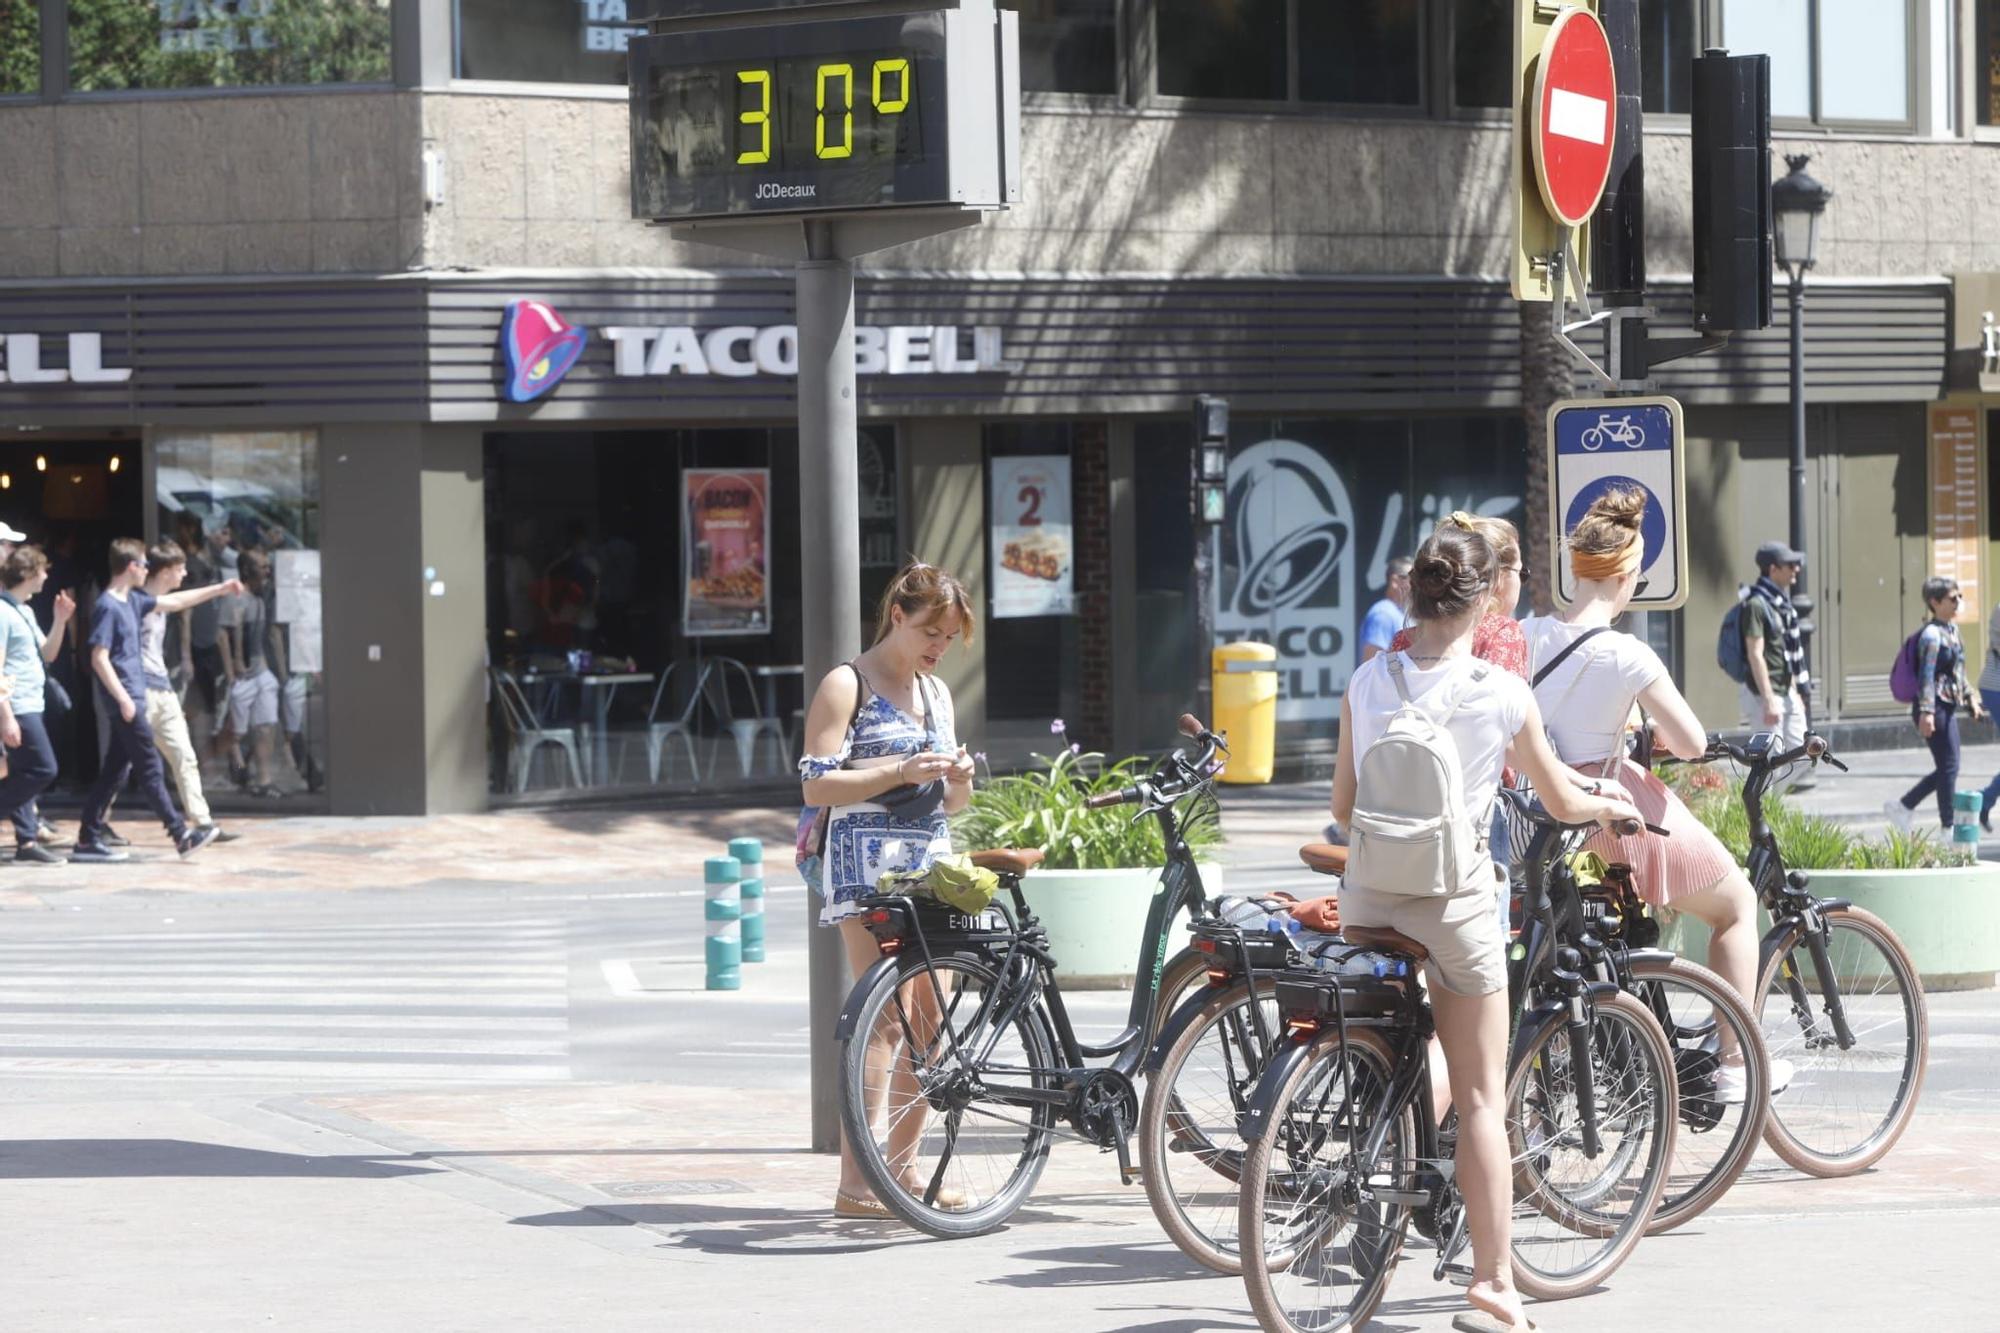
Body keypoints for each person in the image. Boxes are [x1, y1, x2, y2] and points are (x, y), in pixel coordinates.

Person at [1333, 522, 1641, 1333]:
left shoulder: (1367, 681)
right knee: (1479, 1096)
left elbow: (1340, 809)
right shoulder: (1500, 691)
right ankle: (1496, 1284)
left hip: (1367, 898)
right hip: (1454, 904)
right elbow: (1561, 799)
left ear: (1416, 593)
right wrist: (1609, 802)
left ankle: (1378, 1139)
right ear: (1483, 597)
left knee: (1406, 1040)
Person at [1523, 485, 1788, 1101]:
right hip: (1609, 805)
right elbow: (1692, 742)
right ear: (1626, 578)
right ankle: (1734, 1064)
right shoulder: (1628, 654)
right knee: (1735, 906)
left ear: (1576, 571)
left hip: (1541, 803)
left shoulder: (1530, 635)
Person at [798, 562, 978, 1220]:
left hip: (930, 860)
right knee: (882, 1018)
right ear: (897, 615)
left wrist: (956, 775)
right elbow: (816, 785)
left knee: (931, 1021)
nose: (937, 646)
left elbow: (955, 804)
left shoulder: (935, 693)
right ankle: (856, 1183)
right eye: (930, 630)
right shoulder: (847, 683)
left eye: (949, 636)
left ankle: (900, 1169)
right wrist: (897, 768)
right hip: (863, 862)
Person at [74, 539, 219, 862]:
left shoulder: (130, 602)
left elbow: (176, 602)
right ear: (130, 567)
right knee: (150, 768)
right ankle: (180, 834)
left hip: (135, 695)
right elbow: (99, 657)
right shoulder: (108, 606)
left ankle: (87, 837)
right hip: (129, 699)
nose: (146, 569)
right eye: (142, 564)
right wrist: (124, 699)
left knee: (115, 772)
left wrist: (218, 589)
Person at [141, 541, 243, 842]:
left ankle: (203, 822)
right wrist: (220, 589)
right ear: (165, 571)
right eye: (180, 568)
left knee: (184, 756)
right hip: (140, 692)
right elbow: (179, 603)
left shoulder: (155, 600)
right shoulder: (137, 600)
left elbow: (177, 601)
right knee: (122, 763)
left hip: (162, 689)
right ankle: (96, 824)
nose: (184, 574)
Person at [1885, 576, 1980, 834]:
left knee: (1948, 766)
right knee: (1949, 766)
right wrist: (1926, 712)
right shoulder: (1931, 635)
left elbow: (1957, 672)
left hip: (1946, 706)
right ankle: (1947, 826)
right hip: (1933, 708)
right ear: (1935, 602)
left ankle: (1903, 806)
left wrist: (1970, 697)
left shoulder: (1951, 630)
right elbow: (1926, 676)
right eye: (1952, 598)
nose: (1958, 602)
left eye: (1959, 596)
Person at [0, 546, 71, 864]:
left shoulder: (24, 611)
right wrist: (6, 716)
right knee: (43, 768)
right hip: (16, 705)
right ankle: (26, 839)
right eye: (42, 570)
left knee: (24, 770)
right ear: (28, 574)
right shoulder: (2, 613)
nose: (46, 576)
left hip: (31, 701)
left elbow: (48, 654)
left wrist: (60, 621)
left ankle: (26, 842)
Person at [1739, 540, 1811, 783]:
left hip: (1785, 690)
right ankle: (1760, 813)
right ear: (1773, 569)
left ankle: (1769, 806)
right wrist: (1769, 700)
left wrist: (1794, 691)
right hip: (1764, 694)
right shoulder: (1756, 605)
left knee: (1804, 753)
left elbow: (1783, 654)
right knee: (1769, 762)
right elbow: (1755, 653)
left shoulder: (1782, 605)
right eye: (1790, 565)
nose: (1796, 570)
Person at [219, 550, 284, 797]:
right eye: (262, 566)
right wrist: (230, 671)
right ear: (247, 570)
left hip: (260, 671)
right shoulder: (234, 599)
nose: (267, 571)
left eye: (268, 566)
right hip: (241, 675)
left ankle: (263, 778)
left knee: (266, 725)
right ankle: (237, 768)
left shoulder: (259, 599)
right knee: (237, 730)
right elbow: (222, 635)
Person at [1358, 556, 1413, 663]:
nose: (1416, 584)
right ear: (1395, 581)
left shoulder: (1398, 613)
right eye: (1411, 578)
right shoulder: (1383, 614)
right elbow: (1372, 665)